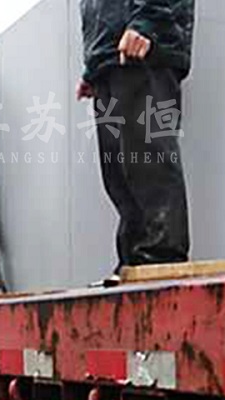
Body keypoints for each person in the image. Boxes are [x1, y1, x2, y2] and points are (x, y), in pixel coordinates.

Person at [77, 0, 195, 282]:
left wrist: (146, 24)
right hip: (109, 56)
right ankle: (134, 263)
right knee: (119, 173)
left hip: (144, 47)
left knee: (149, 159)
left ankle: (161, 260)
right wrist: (93, 66)